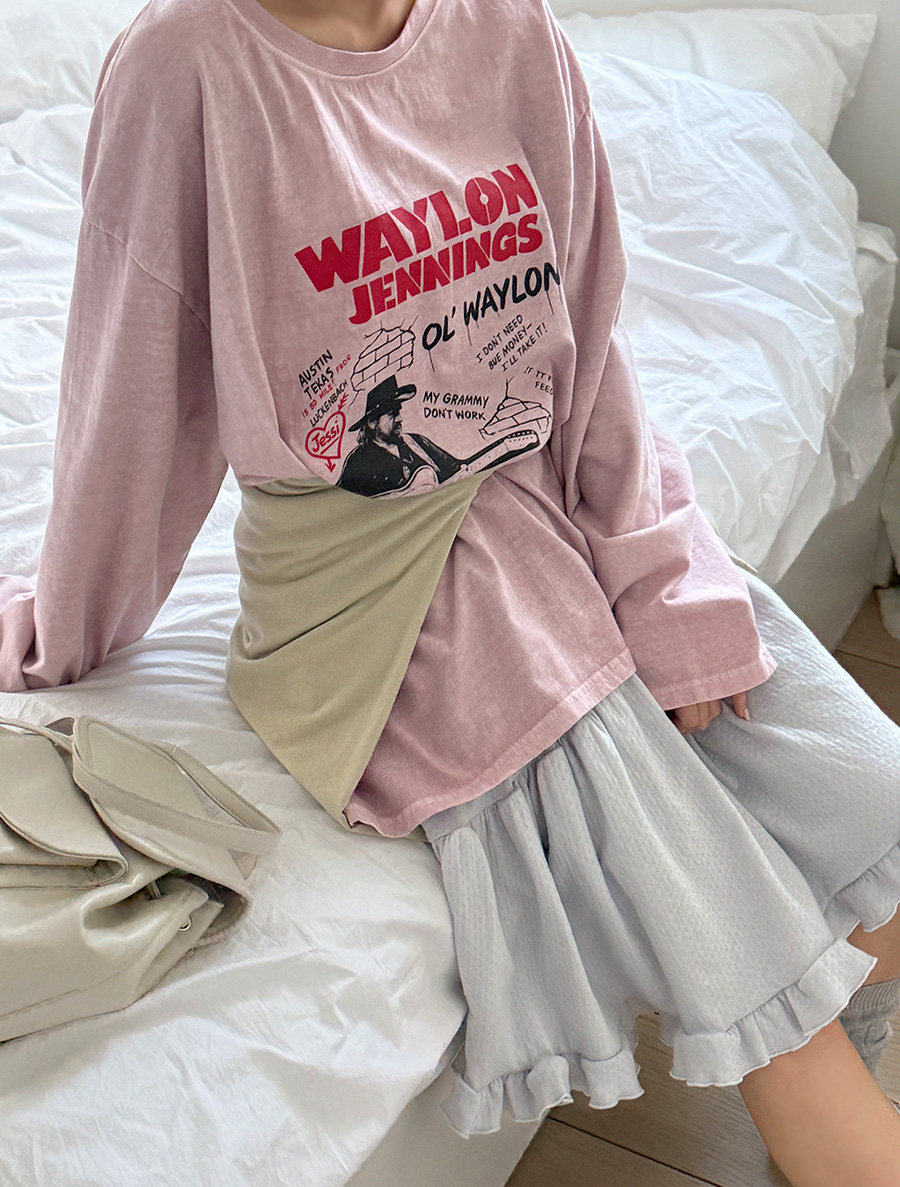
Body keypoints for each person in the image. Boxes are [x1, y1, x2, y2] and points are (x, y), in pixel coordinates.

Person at [1, 0, 900, 1182]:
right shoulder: (186, 69)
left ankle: (851, 1005)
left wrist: (665, 584)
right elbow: (130, 396)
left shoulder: (507, 30)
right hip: (370, 598)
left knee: (859, 793)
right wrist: (61, 626)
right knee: (752, 961)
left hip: (549, 501)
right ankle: (816, 1045)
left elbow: (592, 346)